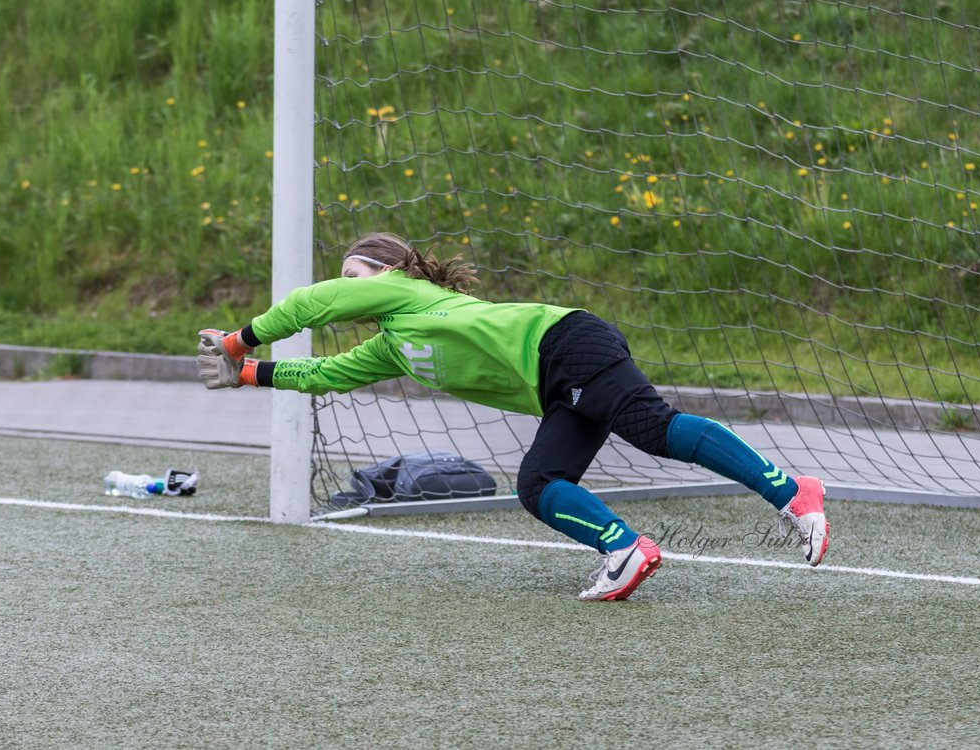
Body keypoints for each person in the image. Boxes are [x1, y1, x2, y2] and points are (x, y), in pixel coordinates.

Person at [197, 232, 829, 601]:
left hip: (563, 344)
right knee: (538, 486)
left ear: (387, 271)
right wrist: (249, 375)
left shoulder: (406, 290)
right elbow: (325, 373)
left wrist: (238, 341)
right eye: (346, 276)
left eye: (354, 272)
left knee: (654, 430)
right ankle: (626, 549)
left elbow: (317, 302)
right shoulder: (391, 340)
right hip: (553, 385)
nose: (347, 283)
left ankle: (791, 491)